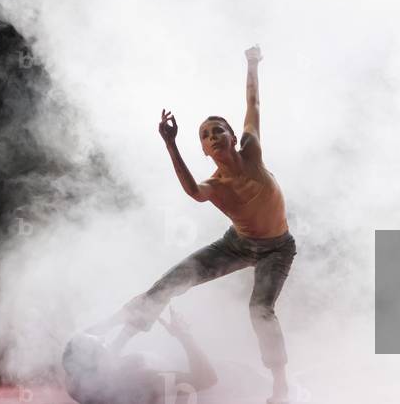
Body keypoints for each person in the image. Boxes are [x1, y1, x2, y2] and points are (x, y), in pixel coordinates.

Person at [112, 45, 297, 404]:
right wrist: (171, 144)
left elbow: (253, 103)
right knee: (170, 282)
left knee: (260, 309)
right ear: (205, 150)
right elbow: (193, 191)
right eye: (205, 135)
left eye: (218, 130)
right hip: (237, 244)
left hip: (277, 249)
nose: (212, 136)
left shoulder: (252, 149)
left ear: (232, 137)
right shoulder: (214, 185)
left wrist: (252, 63)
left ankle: (280, 386)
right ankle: (118, 343)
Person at [64, 307, 218, 404]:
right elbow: (206, 379)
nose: (104, 338)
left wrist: (125, 329)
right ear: (101, 361)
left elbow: (95, 360)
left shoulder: (77, 386)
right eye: (100, 343)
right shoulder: (140, 380)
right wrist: (184, 334)